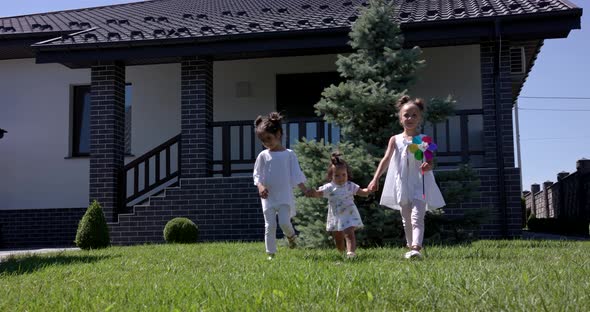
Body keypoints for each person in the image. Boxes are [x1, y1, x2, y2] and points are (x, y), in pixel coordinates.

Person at [368, 95, 445, 259]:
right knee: (406, 218)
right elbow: (386, 159)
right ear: (400, 118)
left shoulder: (423, 139)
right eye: (406, 115)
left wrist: (428, 165)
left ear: (420, 118)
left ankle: (417, 247)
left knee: (417, 216)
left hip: (420, 183)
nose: (410, 118)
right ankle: (411, 247)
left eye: (414, 115)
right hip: (402, 184)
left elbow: (430, 161)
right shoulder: (395, 140)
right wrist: (375, 179)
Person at [253, 112, 309, 260]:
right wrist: (260, 186)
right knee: (269, 225)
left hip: (284, 196)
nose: (266, 143)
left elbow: (296, 174)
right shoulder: (263, 156)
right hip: (268, 197)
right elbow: (257, 174)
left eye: (269, 138)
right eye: (263, 140)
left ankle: (291, 237)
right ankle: (270, 253)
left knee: (284, 222)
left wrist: (305, 190)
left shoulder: (289, 154)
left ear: (278, 134)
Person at [307, 152, 371, 258]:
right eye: (337, 175)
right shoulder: (329, 187)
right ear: (331, 176)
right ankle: (341, 252)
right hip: (336, 215)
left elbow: (361, 192)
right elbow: (319, 193)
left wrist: (368, 190)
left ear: (347, 174)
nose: (341, 178)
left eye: (343, 175)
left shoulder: (350, 186)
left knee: (349, 233)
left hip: (349, 213)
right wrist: (313, 193)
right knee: (338, 237)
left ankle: (351, 253)